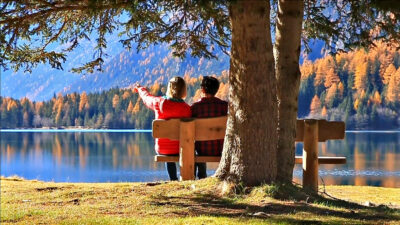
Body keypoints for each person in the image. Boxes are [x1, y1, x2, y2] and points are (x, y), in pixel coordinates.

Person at [134, 76, 191, 181]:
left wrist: (140, 89)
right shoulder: (187, 109)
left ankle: (173, 179)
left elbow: (147, 98)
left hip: (163, 149)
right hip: (183, 147)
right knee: (185, 148)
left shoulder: (158, 102)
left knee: (168, 148)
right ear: (184, 90)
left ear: (169, 88)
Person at [191, 76, 228, 179]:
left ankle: (200, 176)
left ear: (202, 89)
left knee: (193, 148)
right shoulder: (225, 106)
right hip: (220, 149)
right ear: (216, 89)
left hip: (201, 150)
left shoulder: (195, 108)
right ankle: (202, 176)